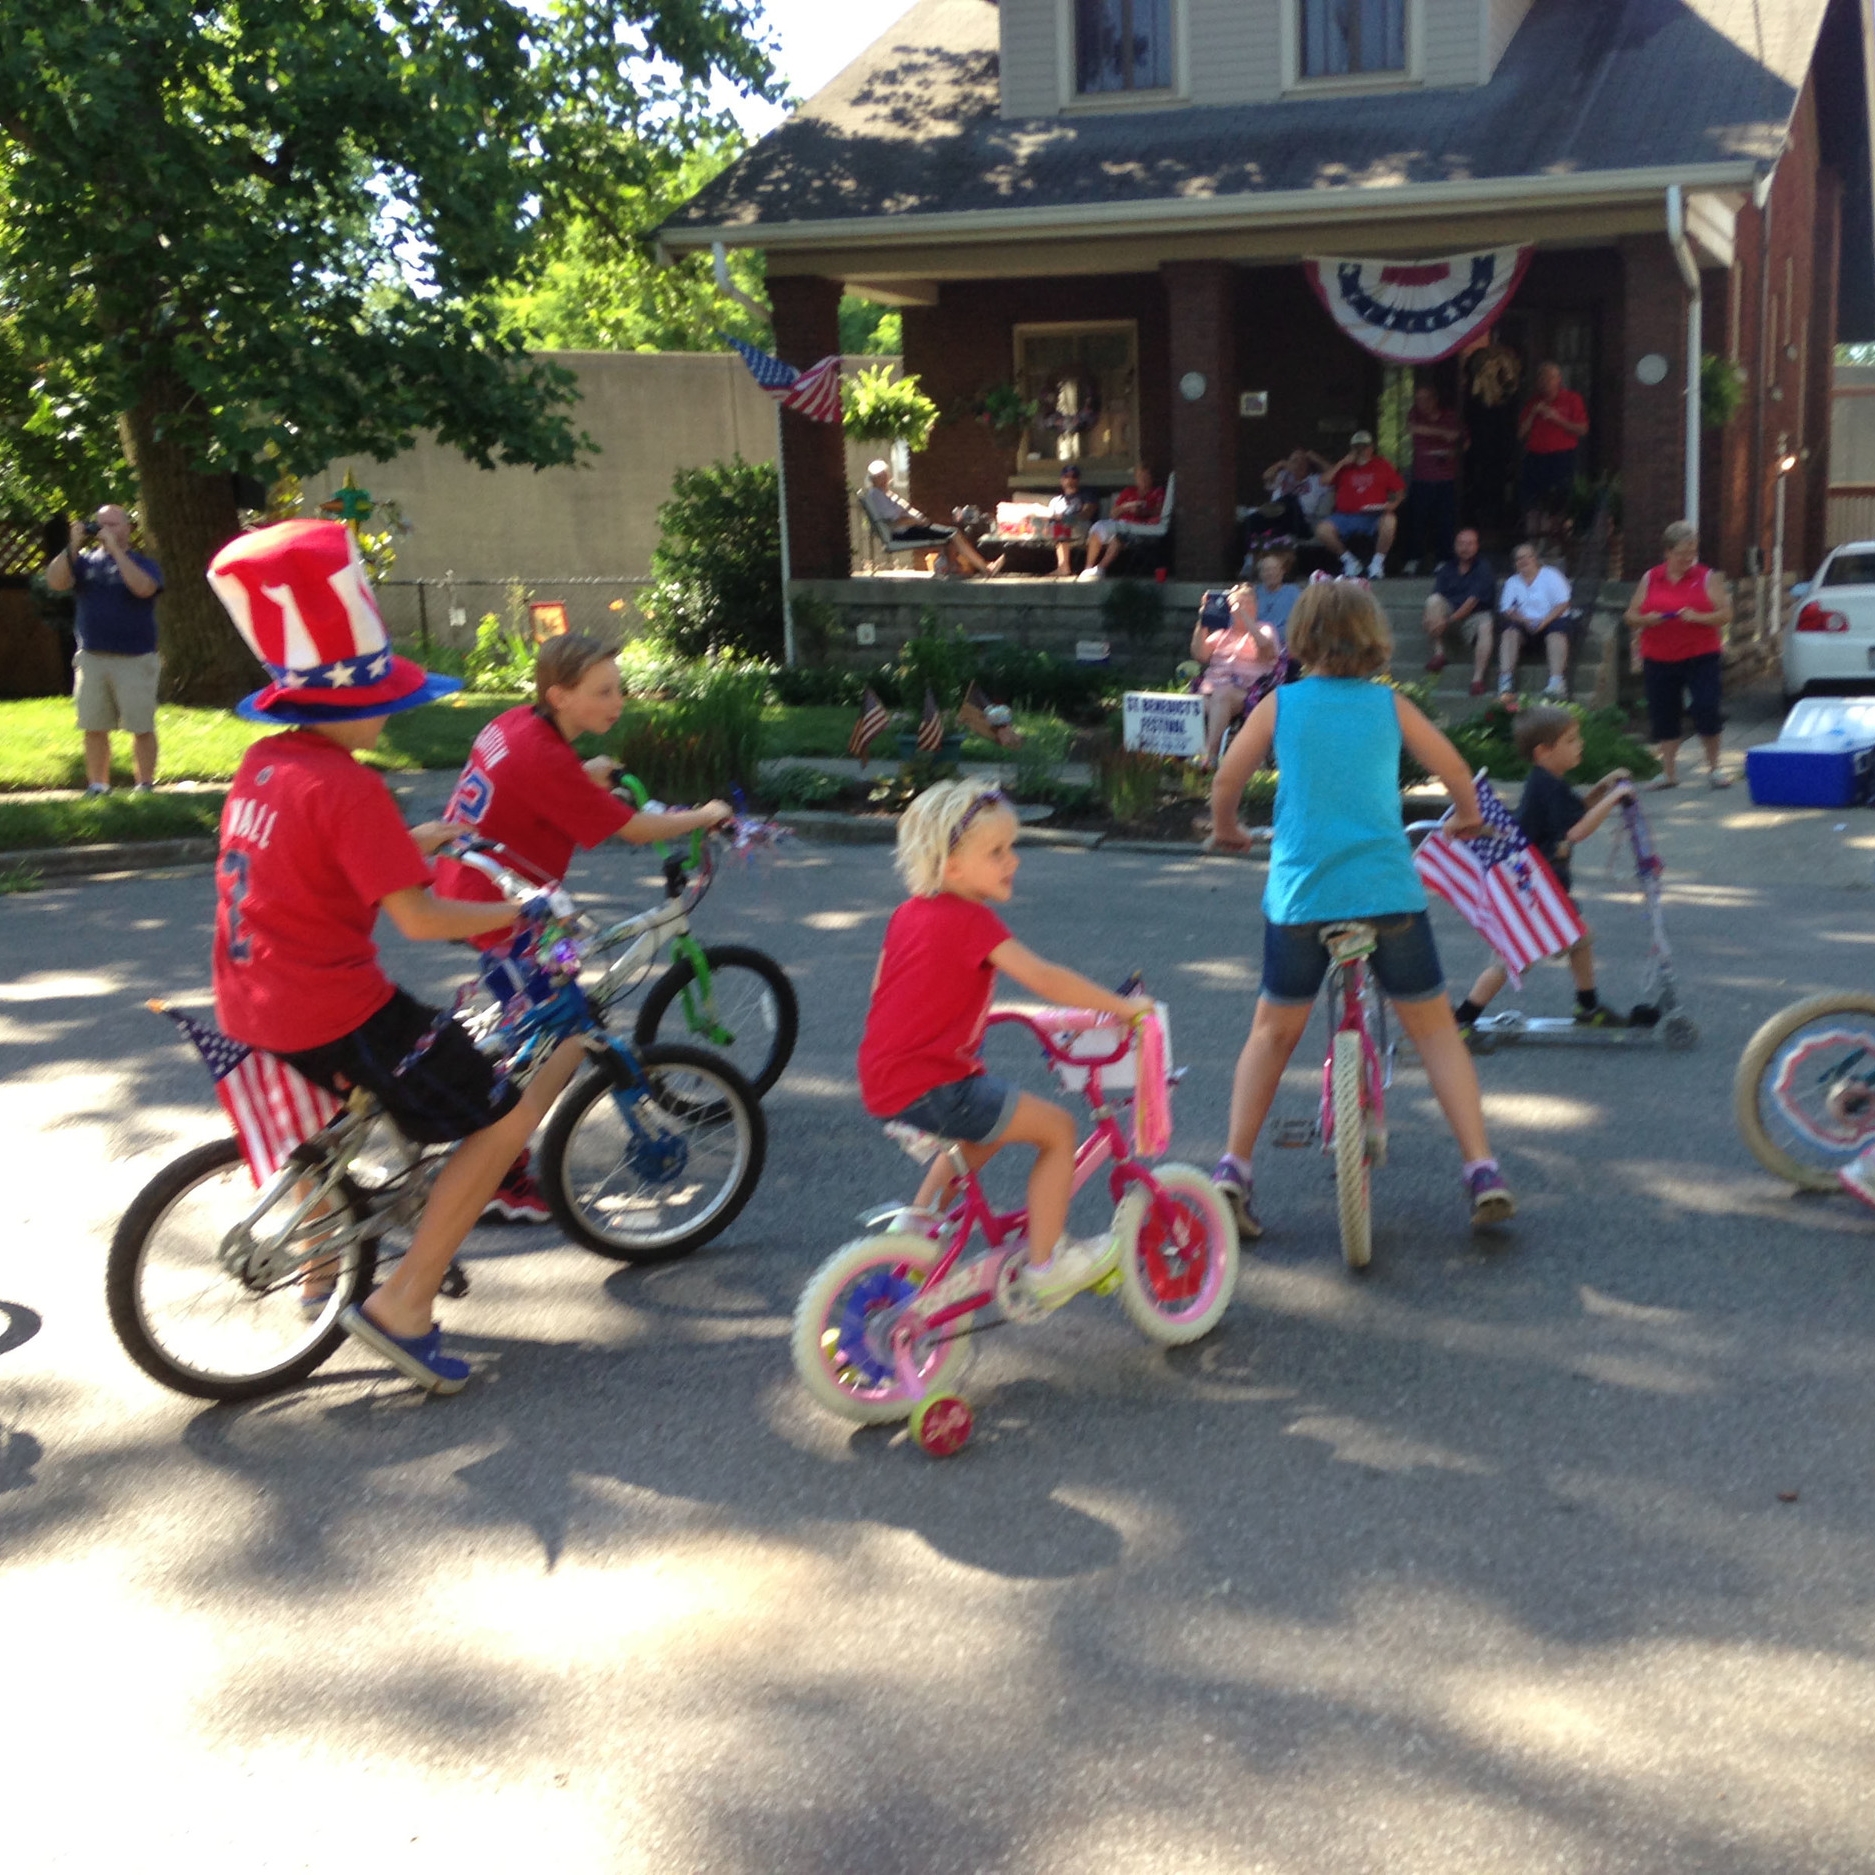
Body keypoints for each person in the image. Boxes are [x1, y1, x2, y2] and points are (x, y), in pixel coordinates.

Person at [206, 518, 590, 1395]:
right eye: (385, 695)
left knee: (395, 1101)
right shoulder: (351, 786)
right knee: (499, 1116)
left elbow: (309, 870)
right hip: (332, 1007)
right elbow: (417, 922)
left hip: (251, 994)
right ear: (353, 702)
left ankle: (342, 1245)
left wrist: (403, 844)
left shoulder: (268, 765)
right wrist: (520, 906)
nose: (393, 707)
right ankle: (402, 1304)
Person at [1207, 579, 1516, 1239]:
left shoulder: (1280, 705)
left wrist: (1227, 828)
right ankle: (1481, 1167)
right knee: (1433, 1030)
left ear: (1300, 641)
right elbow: (1457, 771)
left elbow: (1227, 778)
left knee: (1269, 1034)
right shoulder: (1390, 707)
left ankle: (1232, 1169)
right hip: (1385, 893)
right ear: (1374, 639)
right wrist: (1463, 816)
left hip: (1301, 898)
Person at [432, 633, 734, 1222]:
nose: (618, 701)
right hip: (504, 911)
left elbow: (534, 776)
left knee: (540, 1019)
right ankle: (502, 1172)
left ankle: (490, 1123)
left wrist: (580, 771)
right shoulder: (545, 758)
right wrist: (707, 814)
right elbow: (631, 829)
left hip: (472, 886)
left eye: (618, 688)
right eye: (603, 692)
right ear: (559, 695)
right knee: (562, 1043)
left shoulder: (519, 723)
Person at [857, 779, 1153, 1304]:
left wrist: (954, 1013)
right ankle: (1047, 1265)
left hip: (885, 1080)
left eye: (1010, 848)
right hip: (936, 1084)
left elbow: (889, 987)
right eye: (996, 852)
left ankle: (916, 1227)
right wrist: (1123, 1007)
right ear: (952, 867)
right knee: (1059, 1131)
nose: (1011, 861)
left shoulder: (908, 914)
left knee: (987, 1127)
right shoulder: (972, 920)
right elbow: (1044, 977)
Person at [1451, 707, 1633, 1036]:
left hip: (1540, 889)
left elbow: (1576, 813)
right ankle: (1463, 1018)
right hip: (1532, 892)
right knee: (1510, 958)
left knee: (1577, 939)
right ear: (1543, 751)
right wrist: (1616, 798)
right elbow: (1576, 831)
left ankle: (1588, 1005)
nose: (1580, 745)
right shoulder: (1545, 786)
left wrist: (1605, 788)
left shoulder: (1548, 783)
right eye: (1571, 740)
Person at [42, 503, 164, 794]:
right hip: (93, 658)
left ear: (127, 528)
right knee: (94, 726)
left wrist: (117, 553)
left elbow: (144, 588)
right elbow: (55, 581)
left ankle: (144, 784)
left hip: (135, 658)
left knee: (141, 726)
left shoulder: (143, 563)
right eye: (101, 524)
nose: (106, 530)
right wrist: (72, 544)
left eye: (113, 524)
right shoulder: (84, 563)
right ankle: (98, 785)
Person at [1623, 519, 1734, 789]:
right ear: (1667, 552)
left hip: (1701, 655)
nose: (1688, 558)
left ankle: (1715, 768)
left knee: (1706, 707)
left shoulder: (1707, 577)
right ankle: (1668, 772)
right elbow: (1630, 615)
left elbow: (1726, 614)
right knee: (1664, 713)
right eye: (1682, 553)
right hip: (1659, 656)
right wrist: (1647, 619)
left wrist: (1697, 616)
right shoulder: (1651, 578)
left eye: (1692, 552)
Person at [1190, 584, 1283, 767]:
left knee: (1222, 695)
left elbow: (1266, 650)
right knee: (1185, 704)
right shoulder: (1222, 634)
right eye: (1237, 603)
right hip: (1212, 693)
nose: (1240, 607)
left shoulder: (1265, 629)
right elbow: (1199, 654)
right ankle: (1171, 756)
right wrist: (1203, 618)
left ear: (1256, 606)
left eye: (1248, 603)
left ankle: (1209, 757)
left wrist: (1245, 617)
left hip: (1246, 694)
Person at [860, 461, 1004, 577]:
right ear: (874, 479)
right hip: (905, 531)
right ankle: (986, 569)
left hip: (912, 528)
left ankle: (951, 568)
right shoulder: (876, 495)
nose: (885, 478)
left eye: (885, 474)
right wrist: (917, 521)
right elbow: (893, 521)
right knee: (953, 534)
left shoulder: (883, 494)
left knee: (951, 533)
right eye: (880, 476)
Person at [1315, 432, 1405, 579]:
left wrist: (1393, 504)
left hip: (1374, 514)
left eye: (1364, 447)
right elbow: (1324, 481)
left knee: (1390, 521)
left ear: (1372, 447)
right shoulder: (1344, 466)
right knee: (1322, 530)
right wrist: (1342, 463)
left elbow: (1399, 490)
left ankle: (1377, 564)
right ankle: (1349, 561)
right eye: (1357, 447)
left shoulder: (1382, 464)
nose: (1361, 450)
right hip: (1345, 515)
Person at [1496, 541, 1574, 698]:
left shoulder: (1551, 575)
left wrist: (1543, 622)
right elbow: (1507, 610)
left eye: (1527, 557)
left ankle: (1556, 682)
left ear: (1535, 558)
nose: (1523, 561)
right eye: (1518, 559)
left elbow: (1563, 604)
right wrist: (1525, 621)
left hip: (1551, 619)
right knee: (1509, 633)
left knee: (1556, 632)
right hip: (1525, 624)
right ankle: (1505, 681)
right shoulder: (1512, 582)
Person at [1424, 527, 1496, 694]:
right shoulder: (1447, 568)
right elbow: (1436, 596)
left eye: (1470, 544)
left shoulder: (1483, 568)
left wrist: (1447, 621)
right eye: (1461, 544)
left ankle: (1477, 679)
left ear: (1477, 546)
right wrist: (1429, 618)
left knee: (1486, 624)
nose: (1465, 548)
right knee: (1433, 602)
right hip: (1449, 616)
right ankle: (1439, 654)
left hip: (1474, 616)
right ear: (1455, 547)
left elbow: (1472, 602)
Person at [1404, 382, 1465, 570]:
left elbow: (1460, 438)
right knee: (1417, 520)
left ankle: (1443, 560)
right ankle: (1414, 558)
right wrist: (1442, 434)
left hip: (1445, 477)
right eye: (1418, 399)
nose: (1421, 403)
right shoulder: (1414, 414)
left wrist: (1452, 449)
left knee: (1445, 520)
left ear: (1434, 400)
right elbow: (1413, 428)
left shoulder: (1450, 417)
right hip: (1421, 477)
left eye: (1425, 399)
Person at [1517, 361, 1588, 523]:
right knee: (1533, 501)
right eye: (1541, 379)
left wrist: (1557, 419)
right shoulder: (1533, 403)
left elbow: (1582, 429)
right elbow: (1521, 434)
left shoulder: (1572, 399)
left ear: (1558, 380)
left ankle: (1556, 541)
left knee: (1559, 501)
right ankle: (1534, 539)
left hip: (1561, 456)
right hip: (1536, 456)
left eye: (1549, 378)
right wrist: (1533, 414)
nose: (1545, 382)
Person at [1079, 462, 1166, 580]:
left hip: (1138, 527)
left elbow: (1159, 511)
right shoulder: (1129, 491)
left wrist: (1143, 512)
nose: (1143, 480)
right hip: (1120, 523)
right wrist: (1125, 507)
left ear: (1151, 478)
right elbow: (1112, 514)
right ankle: (1088, 568)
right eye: (1140, 477)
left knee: (1118, 537)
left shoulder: (1157, 492)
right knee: (1098, 529)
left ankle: (1100, 569)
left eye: (1146, 477)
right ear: (1136, 478)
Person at [1046, 463, 1096, 577]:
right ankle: (1063, 567)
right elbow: (1049, 520)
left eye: (1074, 476)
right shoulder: (1056, 500)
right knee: (1057, 526)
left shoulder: (1087, 495)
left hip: (1083, 527)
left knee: (1062, 525)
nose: (1070, 479)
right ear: (1061, 480)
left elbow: (1087, 513)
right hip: (1058, 528)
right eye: (1066, 476)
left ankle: (1063, 568)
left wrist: (1069, 519)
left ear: (1078, 480)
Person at [1251, 549, 1301, 639]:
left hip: (1286, 642)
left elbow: (1302, 622)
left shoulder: (1293, 592)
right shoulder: (1252, 594)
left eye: (1274, 569)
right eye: (1266, 570)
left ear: (1282, 572)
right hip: (1258, 642)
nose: (1270, 573)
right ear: (1260, 574)